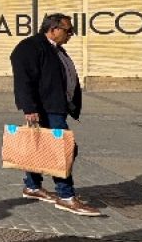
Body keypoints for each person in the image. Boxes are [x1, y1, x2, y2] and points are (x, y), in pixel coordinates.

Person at [10, 14, 101, 216]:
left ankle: (32, 186)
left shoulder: (55, 48)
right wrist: (29, 108)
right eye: (68, 30)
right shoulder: (30, 47)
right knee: (63, 149)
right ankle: (66, 196)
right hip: (45, 109)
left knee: (42, 147)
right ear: (54, 29)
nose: (71, 34)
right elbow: (24, 80)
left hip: (57, 106)